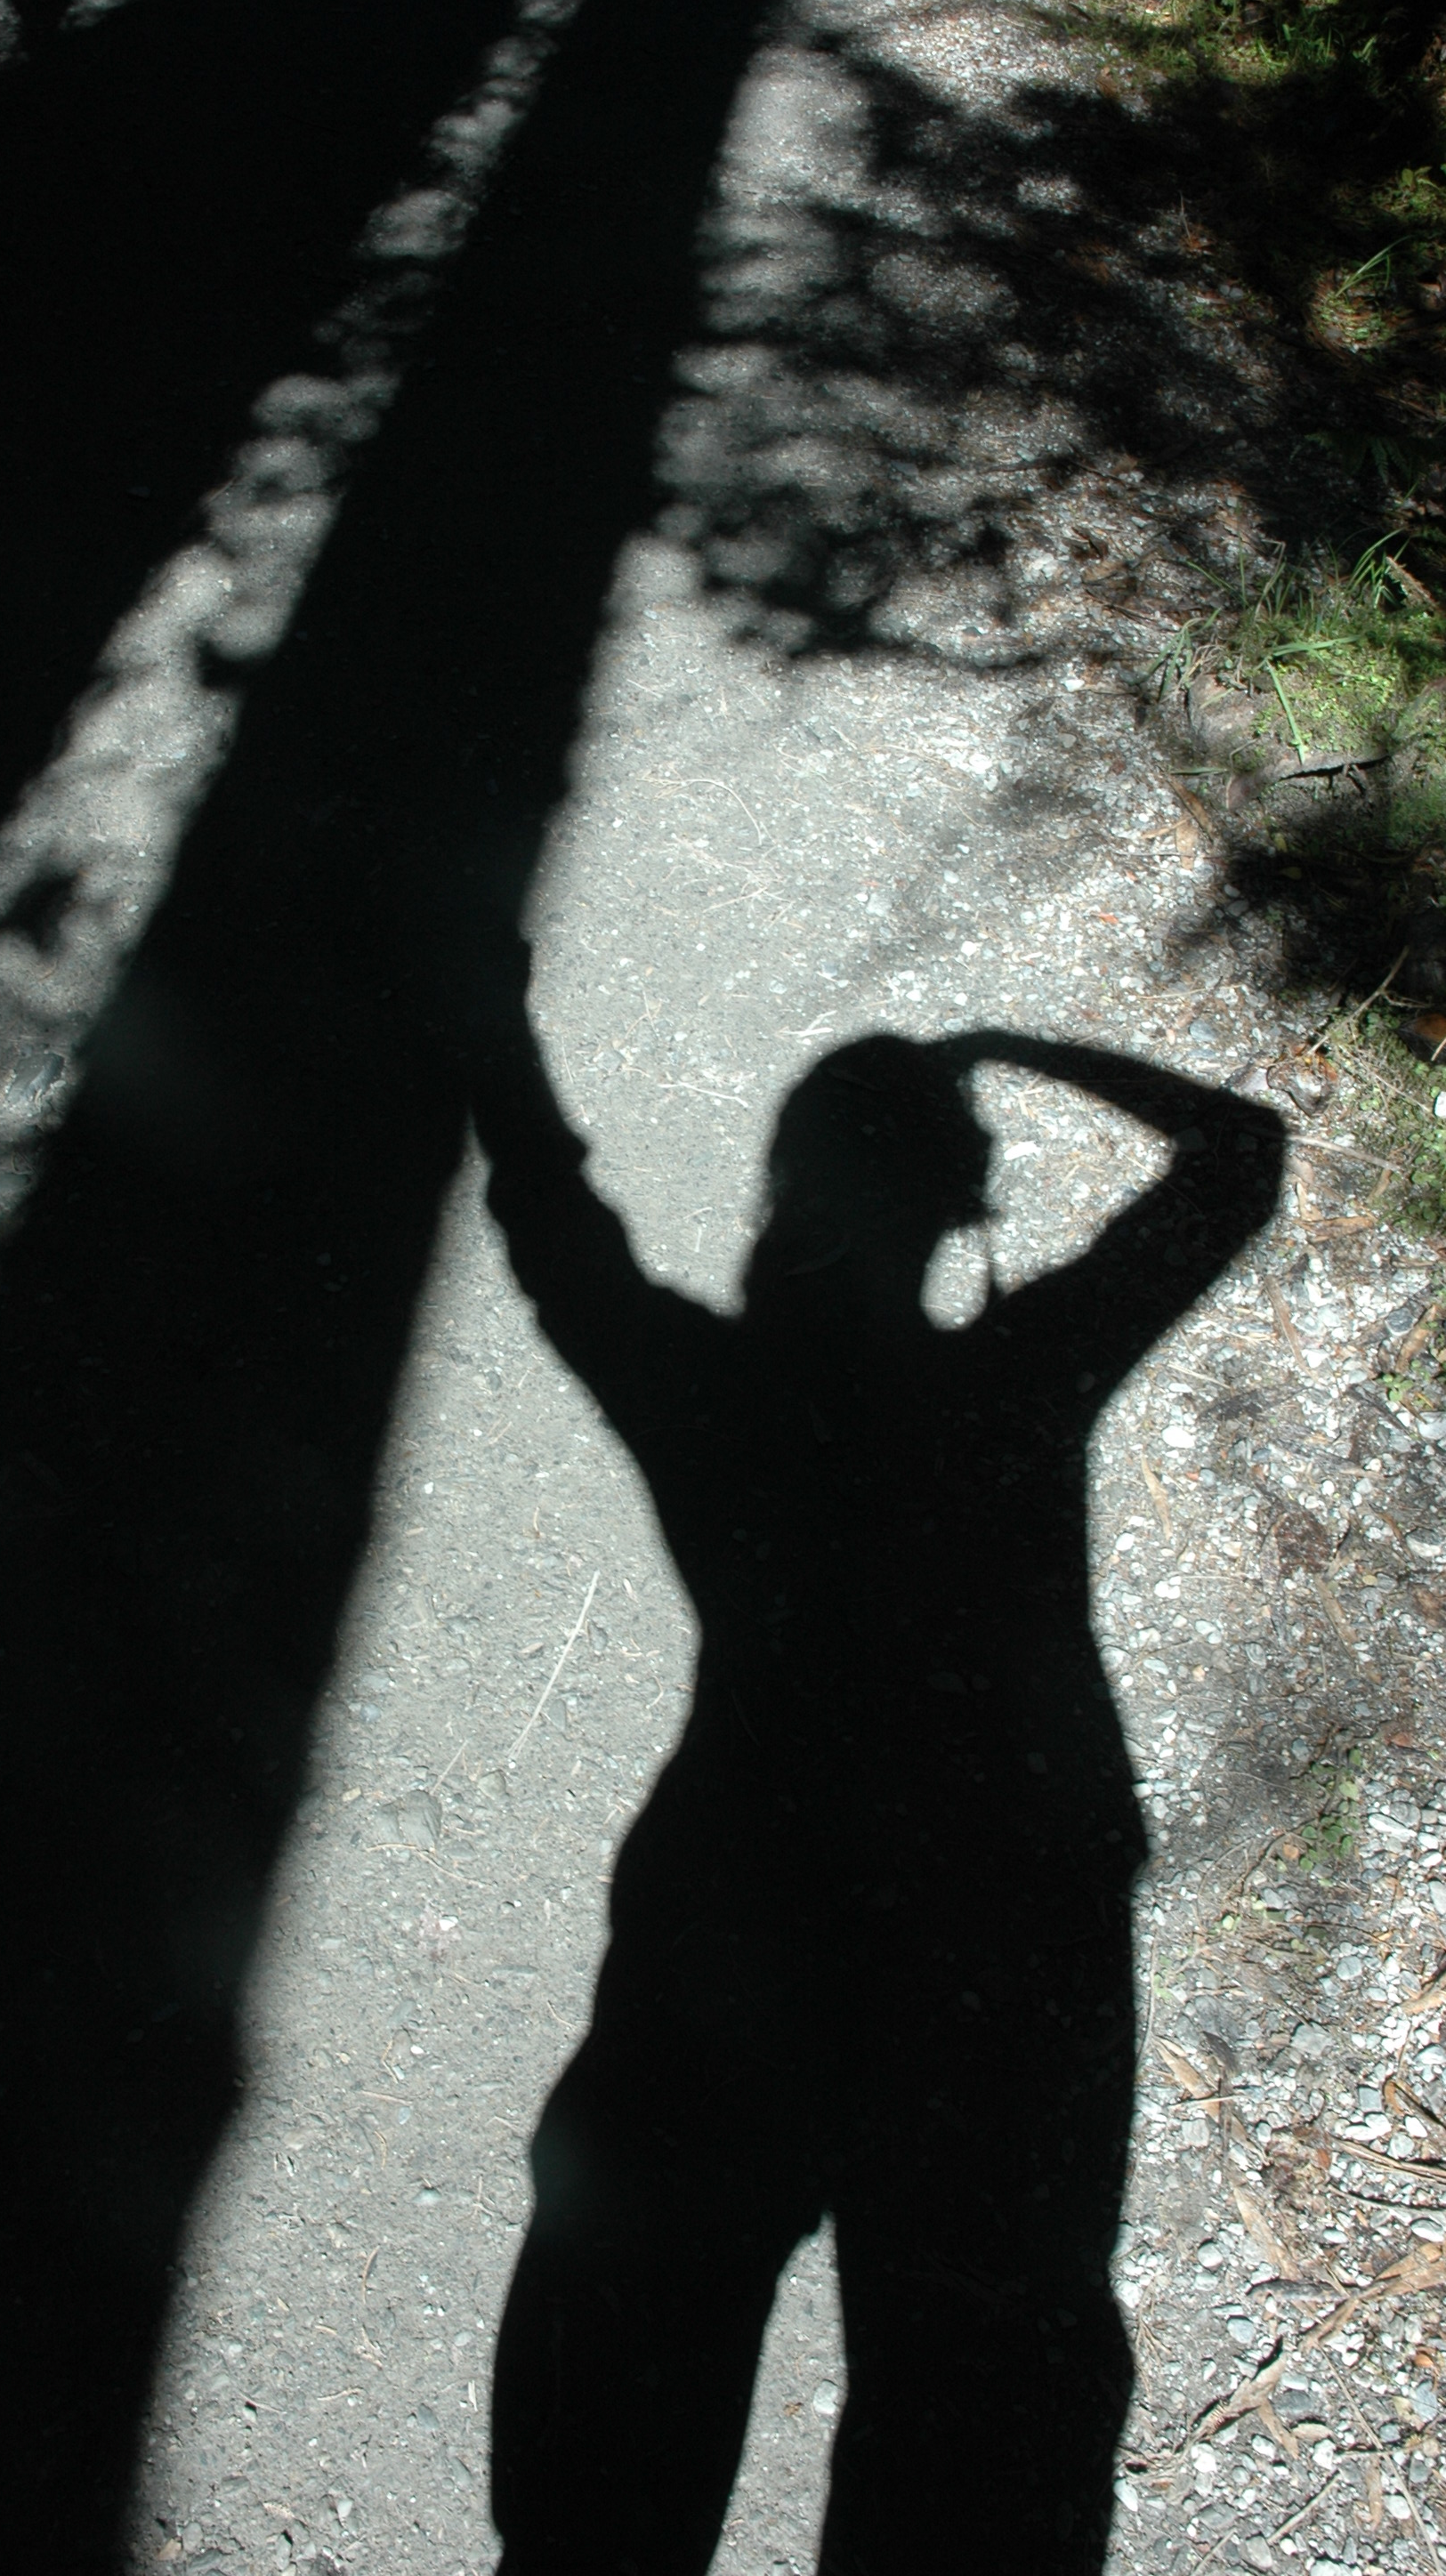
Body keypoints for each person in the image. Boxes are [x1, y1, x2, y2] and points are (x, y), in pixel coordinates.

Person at [463, 983, 1284, 2576]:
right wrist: (1022, 1051)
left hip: (734, 1929)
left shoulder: (698, 1391)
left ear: (783, 1204)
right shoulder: (1024, 1377)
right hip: (1001, 1942)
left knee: (622, 2420)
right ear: (964, 1202)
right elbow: (1241, 1156)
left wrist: (489, 1025)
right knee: (970, 2408)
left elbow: (548, 1217)